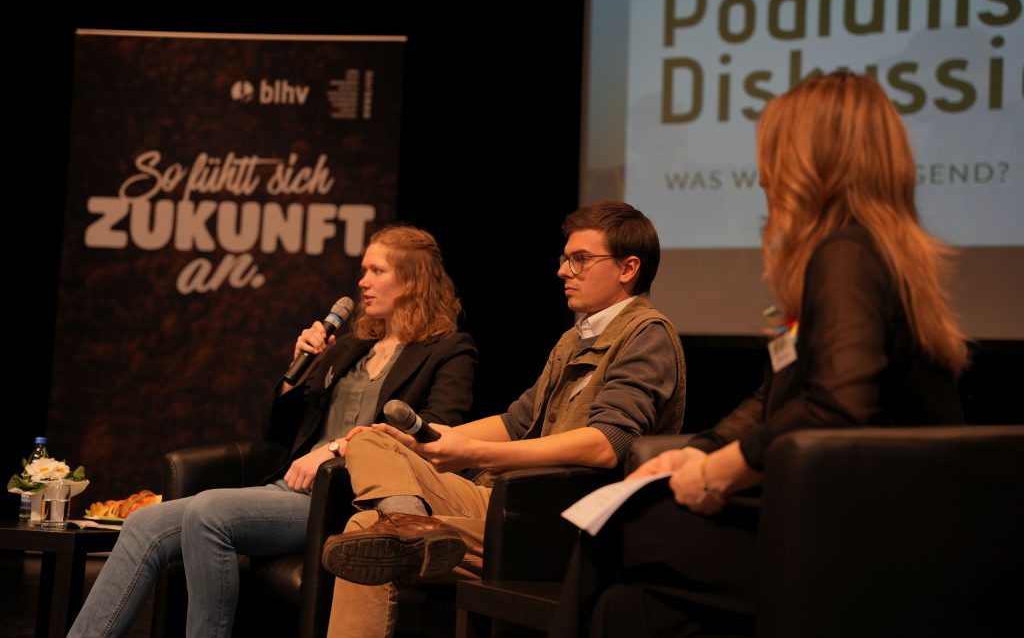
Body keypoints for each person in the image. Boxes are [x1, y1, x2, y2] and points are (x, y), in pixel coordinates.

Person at [552, 72, 969, 637]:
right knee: (628, 609)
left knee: (610, 530)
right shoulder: (873, 251)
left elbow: (836, 406)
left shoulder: (845, 255)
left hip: (864, 529)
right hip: (843, 505)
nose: (764, 175)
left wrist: (718, 471)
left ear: (811, 161)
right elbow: (774, 395)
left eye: (773, 153)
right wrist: (696, 451)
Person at [68, 226, 477, 638]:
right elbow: (279, 433)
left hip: (344, 496)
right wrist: (296, 372)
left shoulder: (448, 350)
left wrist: (338, 448)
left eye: (377, 271)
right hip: (291, 487)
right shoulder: (350, 346)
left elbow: (434, 432)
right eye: (363, 270)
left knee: (209, 513)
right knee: (143, 524)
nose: (363, 282)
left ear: (411, 281)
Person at [318, 201, 687, 638]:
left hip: (560, 522)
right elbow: (516, 422)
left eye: (580, 259)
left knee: (367, 529)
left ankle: (407, 526)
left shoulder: (647, 335)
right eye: (565, 258)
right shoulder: (575, 337)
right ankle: (409, 523)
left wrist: (474, 453)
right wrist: (430, 441)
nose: (563, 271)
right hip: (513, 503)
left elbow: (608, 444)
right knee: (374, 441)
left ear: (628, 268)